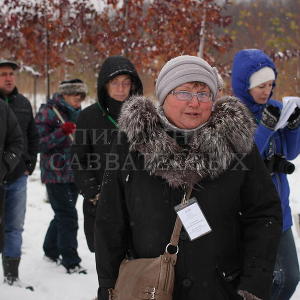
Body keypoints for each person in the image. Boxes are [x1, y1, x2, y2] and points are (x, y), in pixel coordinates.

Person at [95, 55, 282, 300]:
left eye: (203, 93)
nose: (194, 102)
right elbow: (110, 221)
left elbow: (263, 214)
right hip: (149, 288)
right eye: (183, 92)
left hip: (221, 289)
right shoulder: (130, 144)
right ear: (163, 97)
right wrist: (108, 286)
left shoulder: (238, 145)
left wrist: (253, 285)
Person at [232, 49, 300, 300]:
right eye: (260, 85)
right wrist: (265, 129)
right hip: (248, 214)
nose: (266, 91)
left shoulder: (274, 107)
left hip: (278, 209)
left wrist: (293, 128)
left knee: (290, 276)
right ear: (245, 84)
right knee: (252, 283)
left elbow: (291, 154)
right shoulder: (232, 114)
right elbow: (242, 162)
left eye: (271, 84)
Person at [71, 56, 143, 252]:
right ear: (105, 85)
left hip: (137, 205)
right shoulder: (88, 117)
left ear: (133, 85)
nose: (121, 89)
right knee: (108, 266)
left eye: (126, 83)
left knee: (136, 264)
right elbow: (79, 160)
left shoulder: (142, 116)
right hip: (101, 203)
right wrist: (93, 192)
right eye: (115, 83)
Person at [35, 79, 88, 274]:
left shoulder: (80, 114)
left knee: (63, 214)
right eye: (76, 94)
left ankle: (50, 250)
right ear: (64, 94)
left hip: (74, 173)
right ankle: (71, 261)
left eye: (82, 95)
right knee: (68, 217)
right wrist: (61, 132)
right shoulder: (48, 112)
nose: (79, 99)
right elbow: (38, 144)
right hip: (54, 174)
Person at [0, 59, 39, 287]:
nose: (8, 78)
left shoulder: (24, 103)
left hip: (16, 178)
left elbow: (32, 137)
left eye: (11, 74)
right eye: (3, 73)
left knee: (14, 226)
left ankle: (11, 275)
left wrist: (29, 163)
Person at [0, 101, 23, 254]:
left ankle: (11, 275)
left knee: (12, 227)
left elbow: (16, 141)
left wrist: (4, 165)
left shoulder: (2, 108)